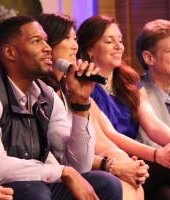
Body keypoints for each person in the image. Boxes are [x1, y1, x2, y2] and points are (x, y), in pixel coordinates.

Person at [0, 16, 123, 200]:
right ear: (10, 52)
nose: (47, 48)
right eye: (36, 41)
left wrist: (80, 102)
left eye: (46, 40)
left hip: (30, 183)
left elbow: (79, 166)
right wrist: (62, 172)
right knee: (36, 192)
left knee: (106, 184)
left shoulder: (46, 95)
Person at [77, 15, 170, 200]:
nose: (119, 47)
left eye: (120, 40)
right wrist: (157, 155)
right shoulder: (83, 87)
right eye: (110, 41)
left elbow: (153, 124)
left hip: (139, 158)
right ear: (90, 50)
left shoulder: (129, 81)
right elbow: (110, 135)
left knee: (169, 195)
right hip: (112, 163)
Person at [35, 13, 149, 200]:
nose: (74, 46)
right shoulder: (39, 91)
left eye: (75, 39)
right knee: (117, 178)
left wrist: (126, 162)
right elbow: (58, 154)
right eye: (67, 38)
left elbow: (103, 139)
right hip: (53, 173)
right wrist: (113, 165)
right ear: (47, 44)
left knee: (134, 176)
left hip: (80, 163)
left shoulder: (70, 85)